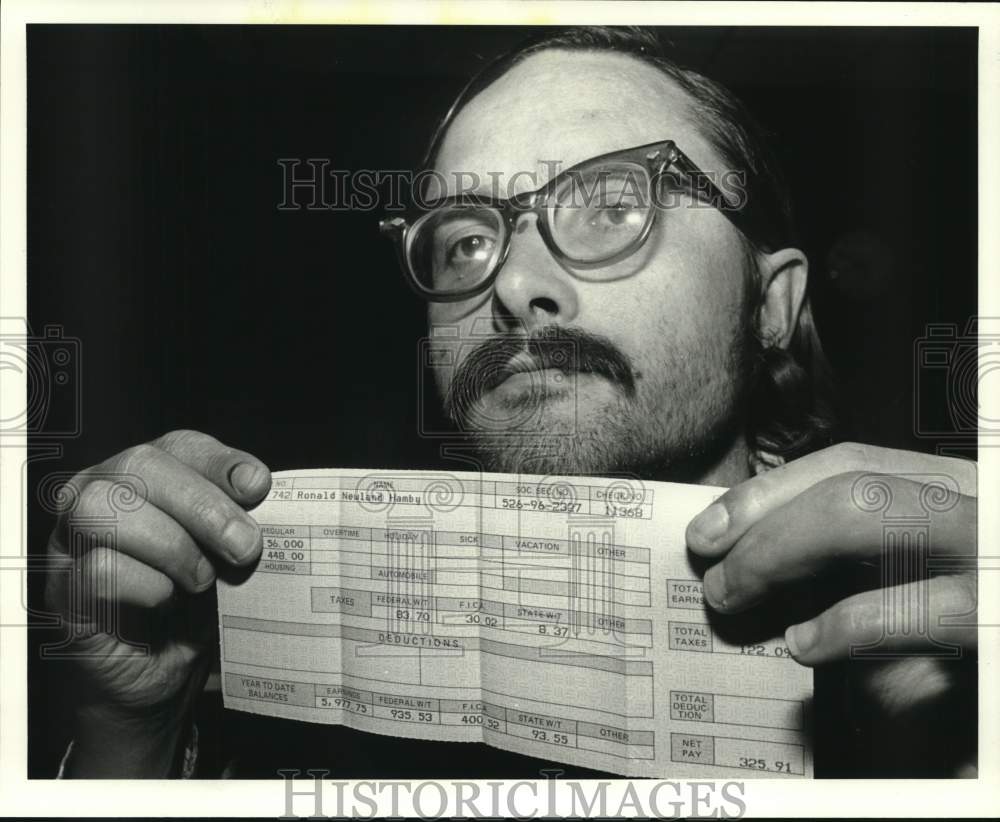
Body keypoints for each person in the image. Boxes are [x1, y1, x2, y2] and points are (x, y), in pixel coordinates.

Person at [46, 26, 978, 778]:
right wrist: (129, 733)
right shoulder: (282, 720)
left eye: (614, 204)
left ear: (770, 304)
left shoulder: (943, 646)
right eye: (464, 241)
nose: (517, 285)